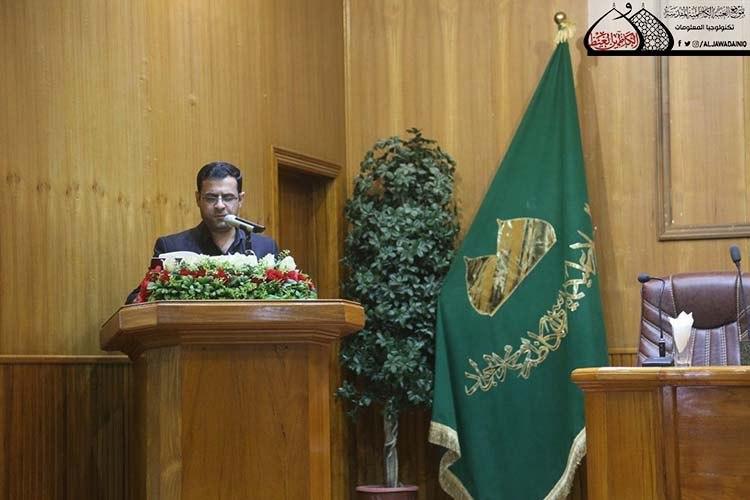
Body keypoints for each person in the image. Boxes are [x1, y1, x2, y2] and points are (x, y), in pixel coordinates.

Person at [126, 161, 278, 303]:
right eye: (211, 198)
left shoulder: (266, 248)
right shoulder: (170, 246)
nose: (220, 205)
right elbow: (138, 299)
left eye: (228, 197)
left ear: (241, 199)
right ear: (198, 199)